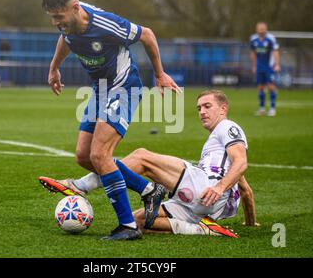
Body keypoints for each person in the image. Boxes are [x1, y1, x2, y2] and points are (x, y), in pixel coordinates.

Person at [40, 0, 181, 241]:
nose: (55, 23)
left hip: (124, 87)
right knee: (84, 156)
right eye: (52, 18)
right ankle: (149, 191)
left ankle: (127, 226)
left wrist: (160, 75)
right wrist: (54, 68)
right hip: (100, 89)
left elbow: (147, 34)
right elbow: (66, 39)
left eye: (58, 17)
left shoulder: (104, 24)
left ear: (75, 8)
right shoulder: (68, 25)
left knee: (100, 154)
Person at [40, 90, 258, 237]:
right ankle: (202, 229)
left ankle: (80, 185)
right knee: (138, 220)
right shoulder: (217, 148)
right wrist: (251, 222)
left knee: (141, 157)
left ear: (223, 109)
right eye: (199, 108)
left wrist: (219, 187)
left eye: (207, 106)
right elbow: (245, 189)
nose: (201, 111)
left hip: (205, 188)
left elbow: (241, 163)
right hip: (200, 207)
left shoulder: (227, 127)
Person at [250, 22, 280, 116]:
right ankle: (262, 108)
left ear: (266, 29)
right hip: (259, 67)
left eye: (263, 28)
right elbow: (253, 53)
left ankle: (272, 109)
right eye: (260, 28)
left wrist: (277, 64)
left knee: (271, 86)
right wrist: (254, 66)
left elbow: (275, 51)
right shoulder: (253, 39)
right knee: (260, 87)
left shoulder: (271, 38)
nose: (261, 30)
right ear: (257, 29)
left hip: (269, 66)